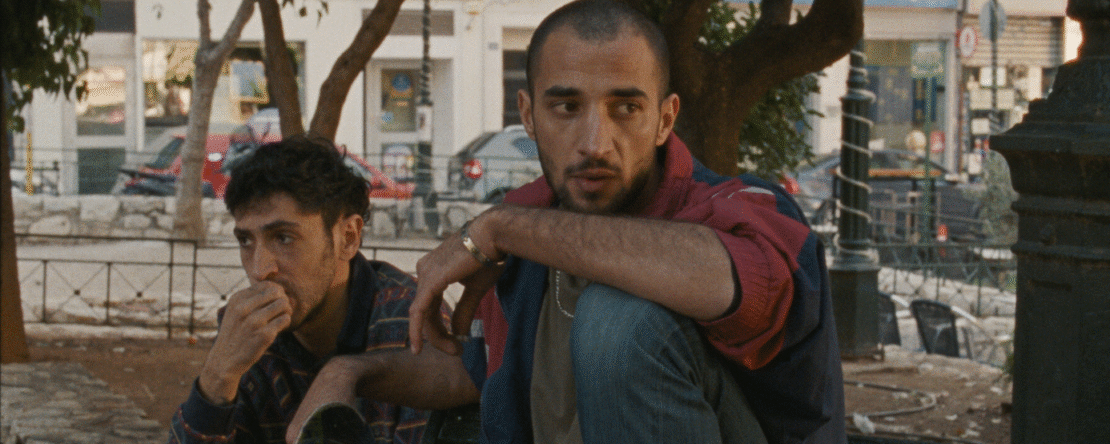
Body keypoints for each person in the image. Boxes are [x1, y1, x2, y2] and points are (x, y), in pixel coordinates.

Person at [298, 1, 845, 442]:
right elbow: (481, 368)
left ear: (665, 119)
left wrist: (500, 229)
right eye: (565, 107)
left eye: (626, 108)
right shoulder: (529, 217)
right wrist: (348, 373)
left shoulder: (741, 208)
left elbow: (734, 282)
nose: (594, 143)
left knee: (618, 322)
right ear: (529, 115)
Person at [168, 137, 435, 443]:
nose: (259, 269)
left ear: (348, 237)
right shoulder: (251, 336)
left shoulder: (411, 324)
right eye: (246, 241)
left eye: (283, 238)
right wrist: (217, 377)